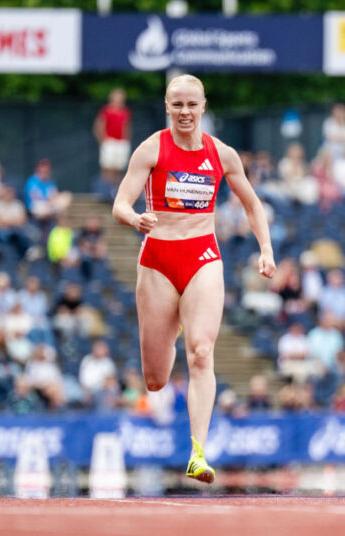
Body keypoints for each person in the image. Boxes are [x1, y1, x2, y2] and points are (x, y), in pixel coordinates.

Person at [111, 74, 276, 483]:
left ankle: (198, 452)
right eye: (177, 105)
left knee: (201, 352)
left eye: (192, 105)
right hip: (158, 260)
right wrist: (135, 218)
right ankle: (169, 326)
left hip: (202, 255)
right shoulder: (151, 148)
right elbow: (119, 203)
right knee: (155, 379)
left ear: (204, 107)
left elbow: (253, 205)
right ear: (167, 106)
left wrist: (266, 249)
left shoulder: (222, 155)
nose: (185, 113)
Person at [94, 88, 132, 190]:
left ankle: (115, 190)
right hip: (109, 141)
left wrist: (126, 141)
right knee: (108, 167)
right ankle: (105, 190)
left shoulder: (125, 111)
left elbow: (126, 127)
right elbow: (99, 126)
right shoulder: (106, 110)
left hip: (121, 143)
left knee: (119, 167)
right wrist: (103, 141)